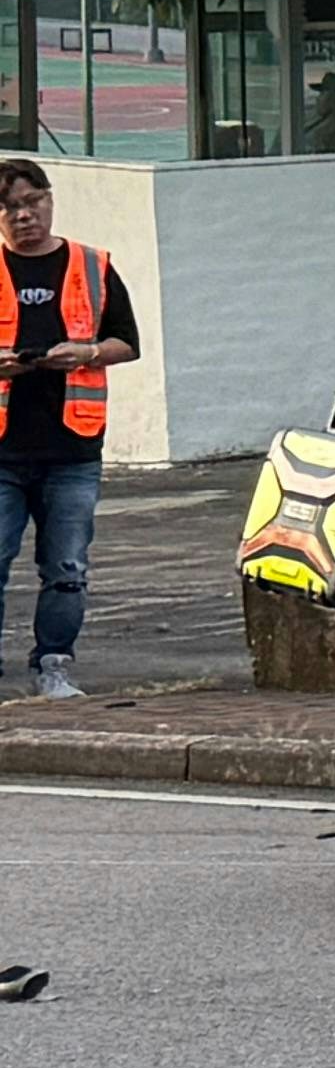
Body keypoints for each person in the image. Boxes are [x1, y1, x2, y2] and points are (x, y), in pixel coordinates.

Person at [0, 158, 135, 703]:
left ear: (50, 200)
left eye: (32, 202)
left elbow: (127, 342)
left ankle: (52, 664)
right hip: (2, 450)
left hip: (72, 449)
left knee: (67, 566)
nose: (23, 215)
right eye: (9, 208)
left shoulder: (92, 265)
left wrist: (86, 352)